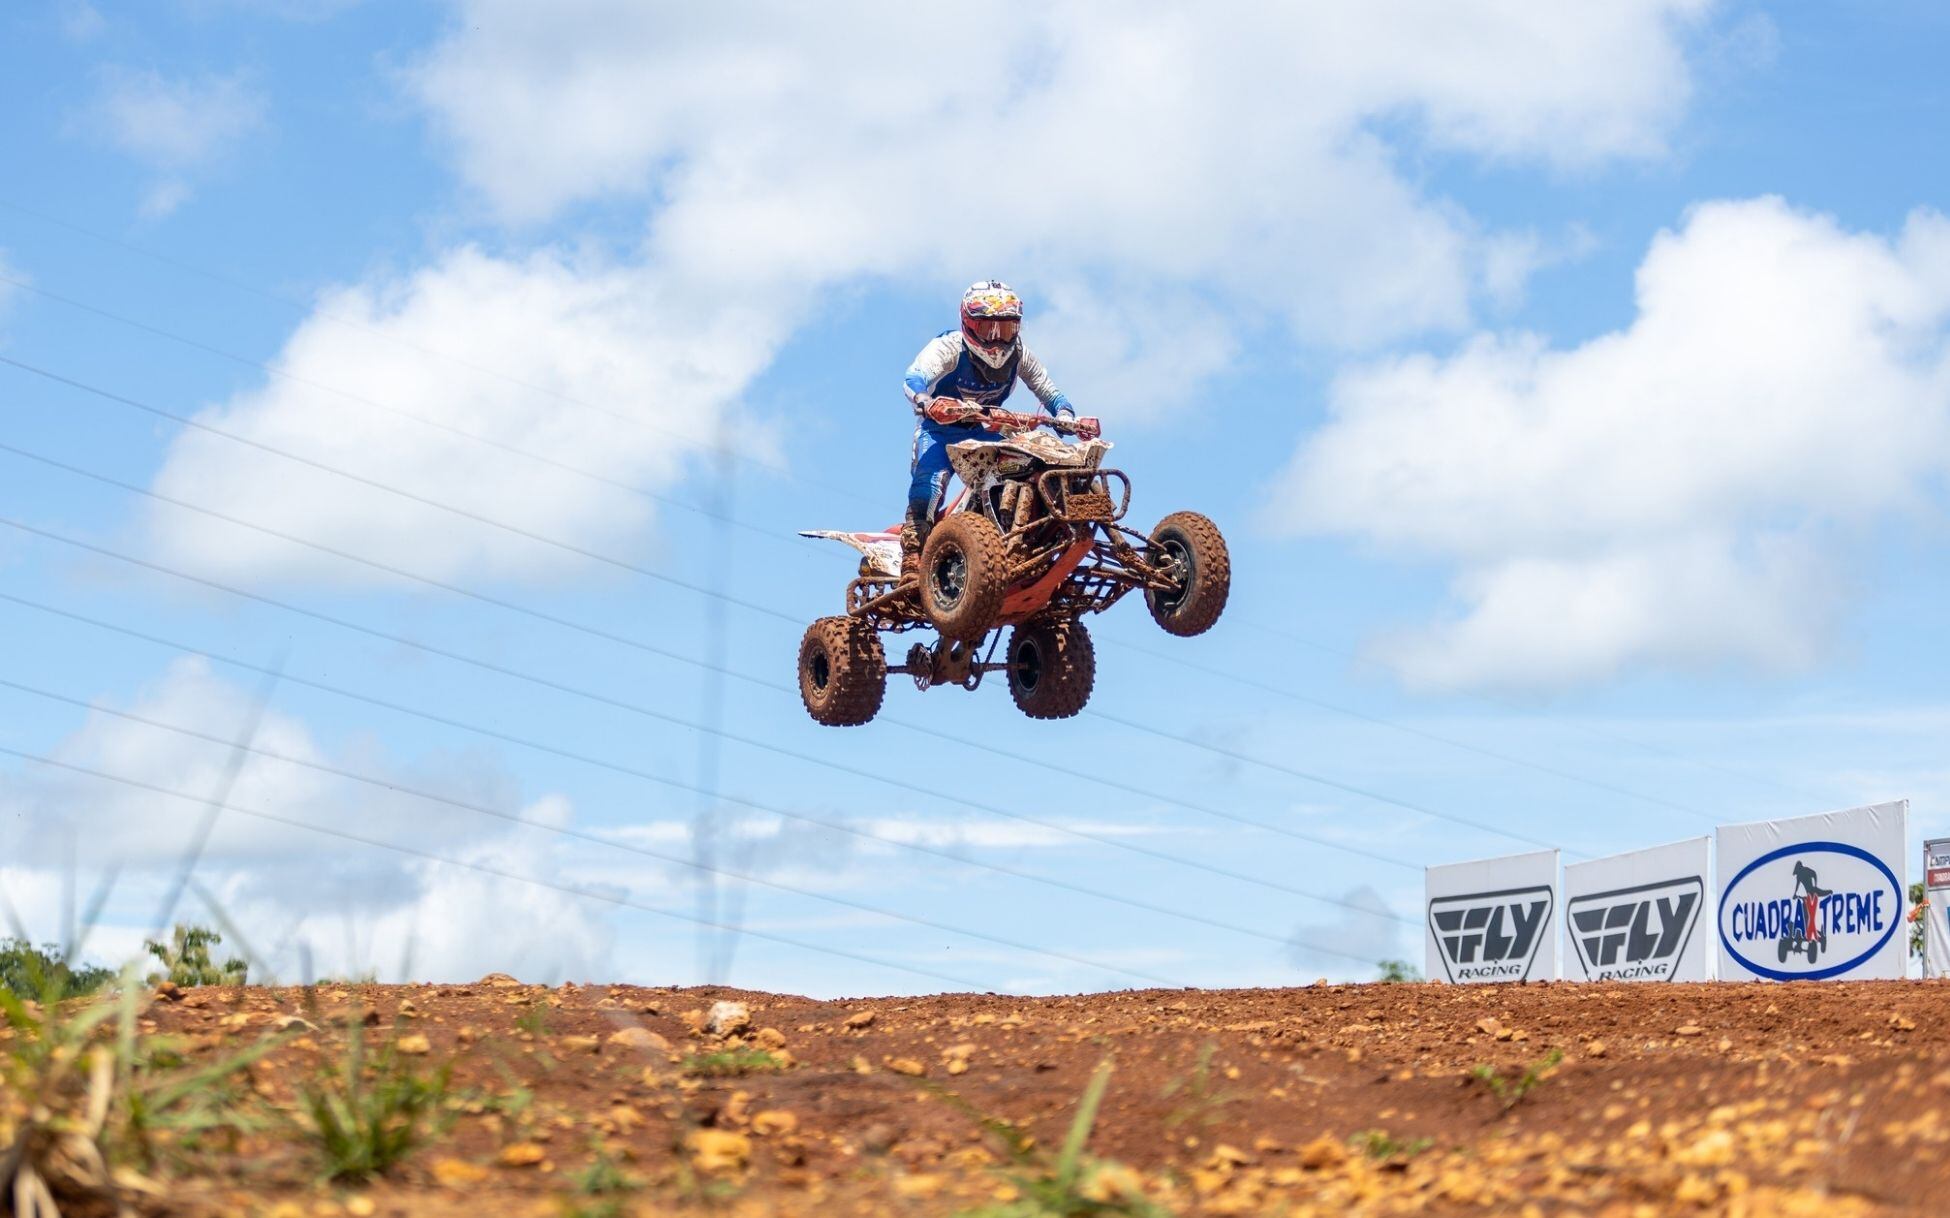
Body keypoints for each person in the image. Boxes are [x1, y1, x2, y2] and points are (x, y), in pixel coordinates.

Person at [898, 280, 1097, 579]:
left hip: (987, 431)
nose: (996, 340)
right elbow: (915, 377)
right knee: (930, 484)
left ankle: (1040, 529)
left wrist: (1067, 416)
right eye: (988, 330)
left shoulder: (1020, 355)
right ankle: (912, 557)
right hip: (940, 431)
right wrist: (925, 400)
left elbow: (1048, 390)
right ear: (968, 323)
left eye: (1005, 330)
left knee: (1037, 458)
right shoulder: (950, 347)